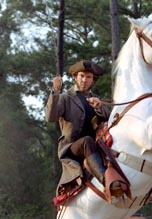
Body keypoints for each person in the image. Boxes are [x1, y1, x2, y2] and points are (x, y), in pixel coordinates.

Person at [45, 60, 113, 196]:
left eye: (89, 77)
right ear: (75, 77)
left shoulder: (98, 99)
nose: (84, 80)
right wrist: (55, 92)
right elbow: (50, 117)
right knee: (87, 141)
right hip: (72, 148)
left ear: (93, 80)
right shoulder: (65, 97)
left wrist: (99, 107)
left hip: (96, 146)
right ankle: (106, 181)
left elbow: (110, 121)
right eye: (81, 76)